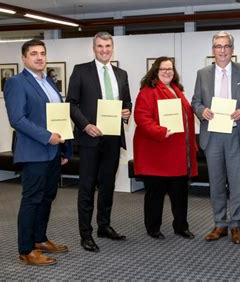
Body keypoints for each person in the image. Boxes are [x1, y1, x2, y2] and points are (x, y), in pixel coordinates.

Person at [3, 39, 72, 266]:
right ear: (24, 57)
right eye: (34, 53)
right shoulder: (16, 82)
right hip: (34, 152)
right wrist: (46, 137)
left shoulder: (49, 81)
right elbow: (17, 119)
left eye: (42, 53)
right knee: (32, 200)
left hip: (52, 152)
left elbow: (59, 115)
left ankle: (40, 240)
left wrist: (63, 148)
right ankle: (26, 250)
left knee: (47, 197)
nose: (39, 57)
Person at [66, 31, 132, 252]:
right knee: (86, 187)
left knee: (107, 185)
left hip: (113, 138)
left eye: (108, 46)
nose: (104, 50)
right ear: (94, 48)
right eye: (100, 46)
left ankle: (104, 226)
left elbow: (127, 102)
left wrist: (127, 112)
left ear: (112, 48)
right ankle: (86, 234)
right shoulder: (81, 71)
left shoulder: (121, 74)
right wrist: (85, 125)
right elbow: (71, 103)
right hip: (89, 138)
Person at [191, 31, 240, 244]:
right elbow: (195, 101)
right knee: (216, 183)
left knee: (236, 182)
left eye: (226, 46)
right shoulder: (202, 73)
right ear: (213, 50)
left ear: (232, 49)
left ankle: (236, 225)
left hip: (236, 134)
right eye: (218, 46)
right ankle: (220, 223)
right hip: (212, 136)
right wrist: (202, 112)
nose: (222, 50)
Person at [133, 57, 198, 240]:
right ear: (155, 71)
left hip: (178, 153)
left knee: (180, 194)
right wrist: (160, 131)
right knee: (156, 194)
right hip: (158, 152)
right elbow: (141, 117)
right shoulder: (148, 92)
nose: (167, 72)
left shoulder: (177, 90)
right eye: (163, 69)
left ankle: (181, 226)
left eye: (170, 68)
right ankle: (153, 227)